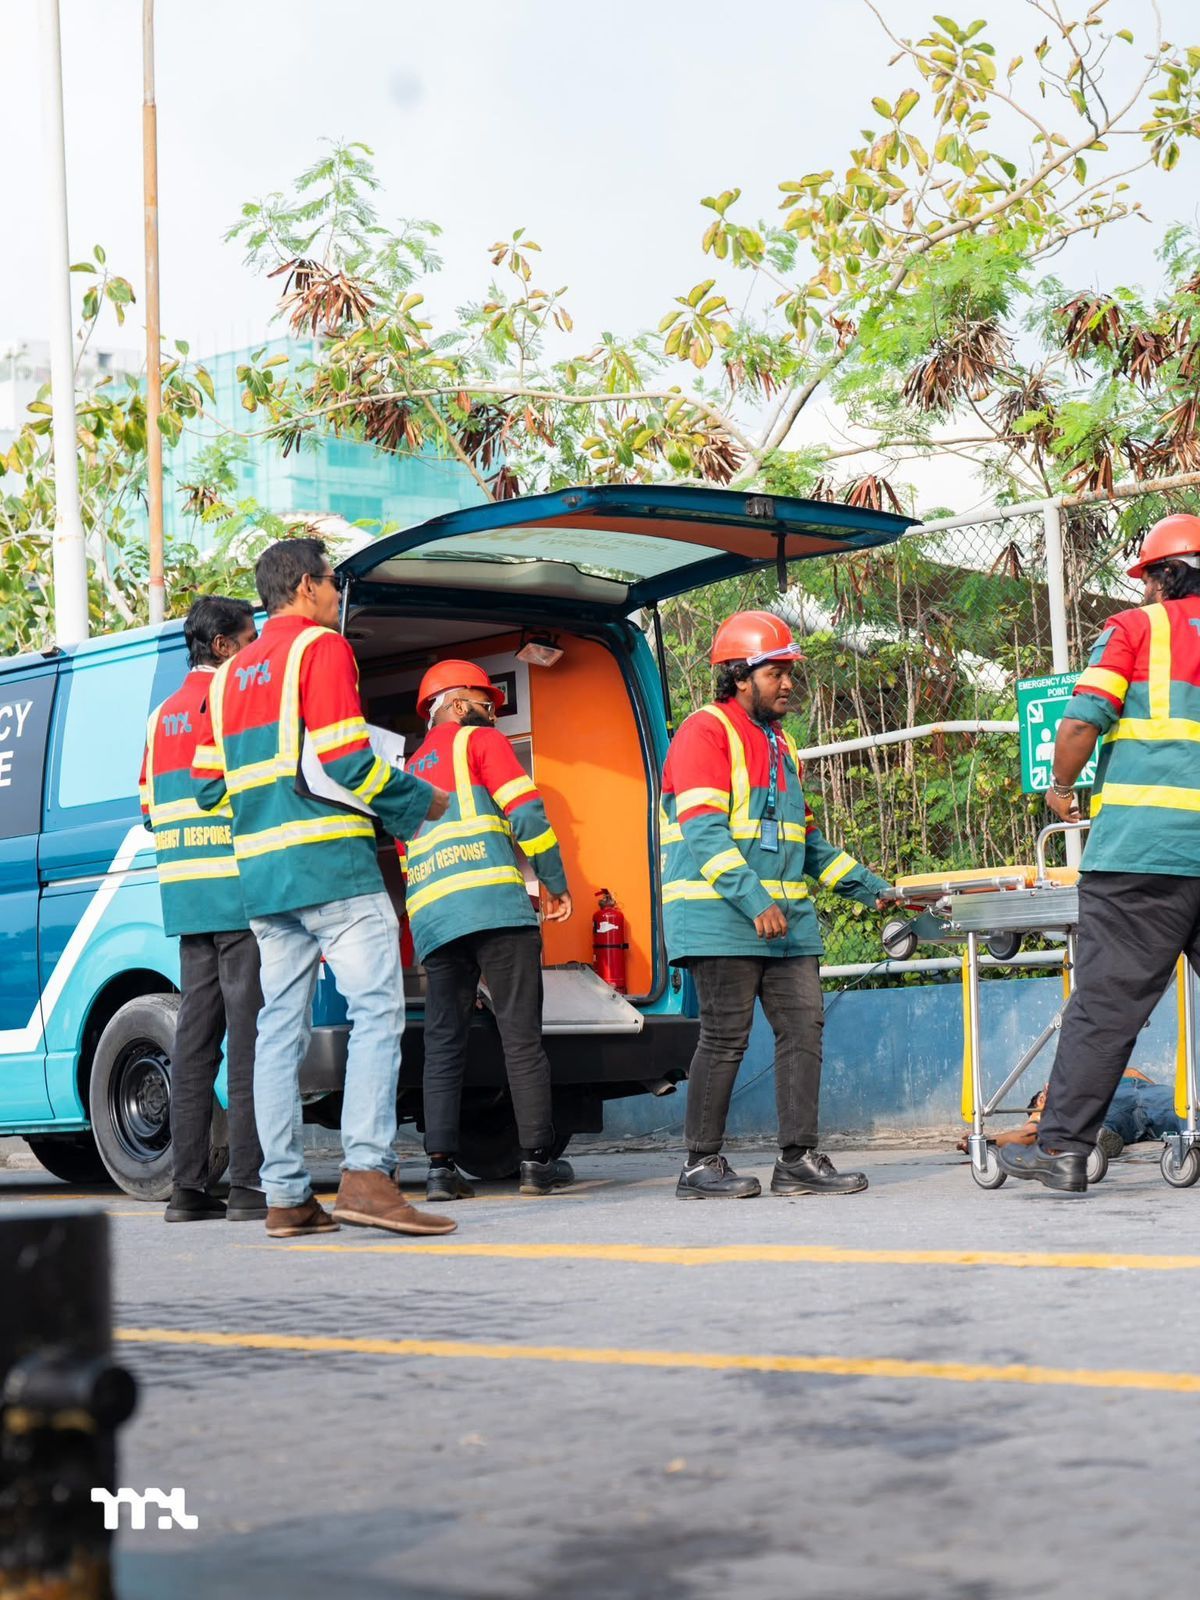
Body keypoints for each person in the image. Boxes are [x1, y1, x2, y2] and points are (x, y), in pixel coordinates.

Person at [192, 537, 456, 1239]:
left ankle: (284, 1196)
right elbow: (345, 757)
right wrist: (413, 803)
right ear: (306, 587)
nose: (338, 597)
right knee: (377, 1011)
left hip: (264, 881)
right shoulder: (321, 649)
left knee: (275, 1031)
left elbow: (204, 785)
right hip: (331, 865)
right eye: (333, 584)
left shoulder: (224, 678)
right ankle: (367, 1176)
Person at [660, 610, 893, 1199]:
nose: (789, 683)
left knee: (804, 1030)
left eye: (791, 671)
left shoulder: (781, 743)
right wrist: (754, 899)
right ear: (740, 676)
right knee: (725, 1037)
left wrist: (871, 887)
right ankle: (699, 1165)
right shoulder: (704, 731)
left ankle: (797, 1161)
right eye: (776, 671)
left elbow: (805, 842)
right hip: (722, 917)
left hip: (786, 924)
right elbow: (703, 830)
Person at [1000, 513, 1200, 1193]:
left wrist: (1060, 787)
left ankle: (1061, 1150)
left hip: (1142, 857)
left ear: (1166, 576)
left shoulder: (1138, 629)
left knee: (1105, 1006)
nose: (1144, 590)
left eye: (1148, 578)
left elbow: (1084, 719)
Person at [401, 659, 574, 1200]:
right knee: (521, 1038)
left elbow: (408, 854)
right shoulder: (478, 743)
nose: (491, 715)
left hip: (433, 918)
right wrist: (554, 883)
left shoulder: (406, 769)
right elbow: (526, 813)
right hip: (495, 909)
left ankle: (439, 1171)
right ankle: (535, 1164)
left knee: (444, 1044)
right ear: (456, 704)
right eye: (486, 704)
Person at [139, 596, 265, 1224]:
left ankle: (187, 1189)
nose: (254, 651)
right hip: (239, 891)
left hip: (187, 895)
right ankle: (247, 1186)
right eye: (248, 639)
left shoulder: (161, 716)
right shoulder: (235, 695)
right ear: (221, 646)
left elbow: (148, 807)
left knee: (195, 1043)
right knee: (248, 1041)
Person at [959, 1068, 1183, 1160]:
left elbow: (1132, 1073)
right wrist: (987, 1141)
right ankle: (1098, 1135)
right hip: (1120, 1102)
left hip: (1126, 1094)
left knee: (1177, 1107)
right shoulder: (1046, 1110)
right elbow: (1028, 1133)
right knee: (1176, 1110)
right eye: (1042, 1097)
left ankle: (1096, 1136)